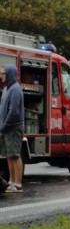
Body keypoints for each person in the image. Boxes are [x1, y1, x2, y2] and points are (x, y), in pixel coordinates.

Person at [0, 64, 25, 192]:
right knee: (9, 155)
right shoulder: (6, 89)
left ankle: (17, 183)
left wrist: (3, 127)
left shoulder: (15, 89)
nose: (1, 76)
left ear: (9, 74)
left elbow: (14, 112)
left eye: (3, 73)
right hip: (6, 128)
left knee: (15, 155)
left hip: (14, 128)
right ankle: (11, 182)